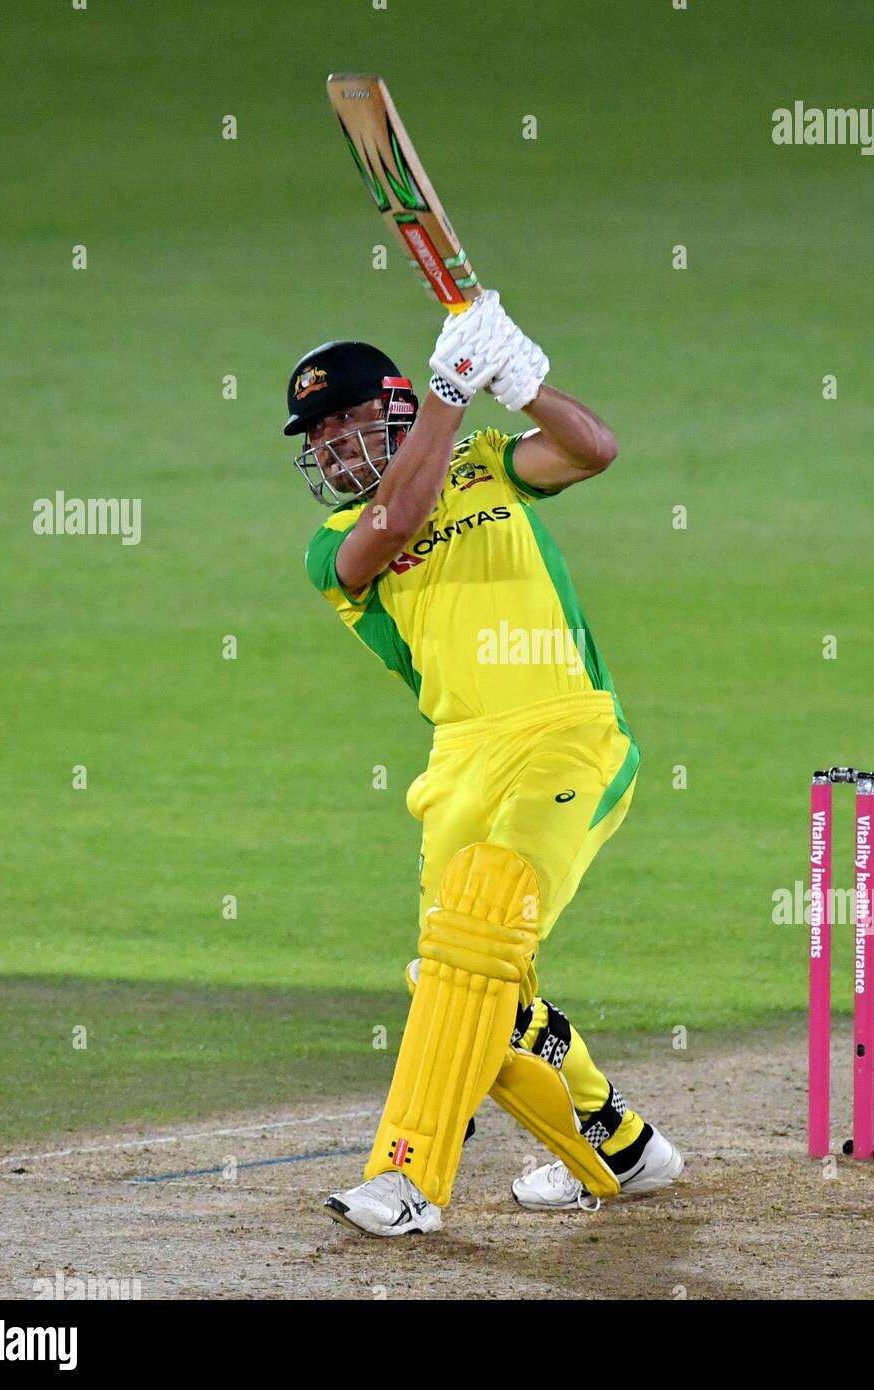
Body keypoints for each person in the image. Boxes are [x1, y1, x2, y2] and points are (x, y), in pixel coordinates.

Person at [286, 290, 682, 1236]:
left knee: (481, 926)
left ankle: (407, 1177)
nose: (332, 442)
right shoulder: (335, 545)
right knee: (470, 987)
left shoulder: (486, 463)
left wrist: (527, 384)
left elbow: (594, 450)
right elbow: (399, 516)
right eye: (317, 432)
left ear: (388, 408)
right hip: (460, 757)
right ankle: (619, 1146)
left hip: (566, 731)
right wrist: (453, 391)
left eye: (344, 417)